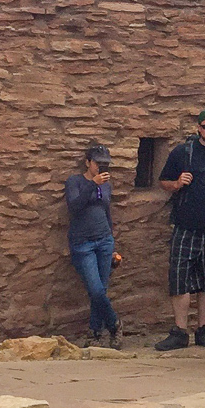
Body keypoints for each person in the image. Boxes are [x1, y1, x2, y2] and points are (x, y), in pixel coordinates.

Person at [154, 109, 205, 350]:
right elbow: (163, 182)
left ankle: (204, 328)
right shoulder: (183, 152)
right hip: (186, 224)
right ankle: (180, 330)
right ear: (199, 128)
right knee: (179, 278)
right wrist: (178, 183)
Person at [64, 144, 121, 348]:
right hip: (83, 242)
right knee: (95, 289)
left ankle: (95, 331)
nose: (101, 168)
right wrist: (93, 184)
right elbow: (74, 206)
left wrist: (112, 242)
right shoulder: (76, 181)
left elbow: (107, 212)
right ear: (88, 163)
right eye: (98, 163)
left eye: (105, 164)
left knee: (102, 289)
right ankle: (114, 324)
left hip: (104, 239)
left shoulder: (106, 184)